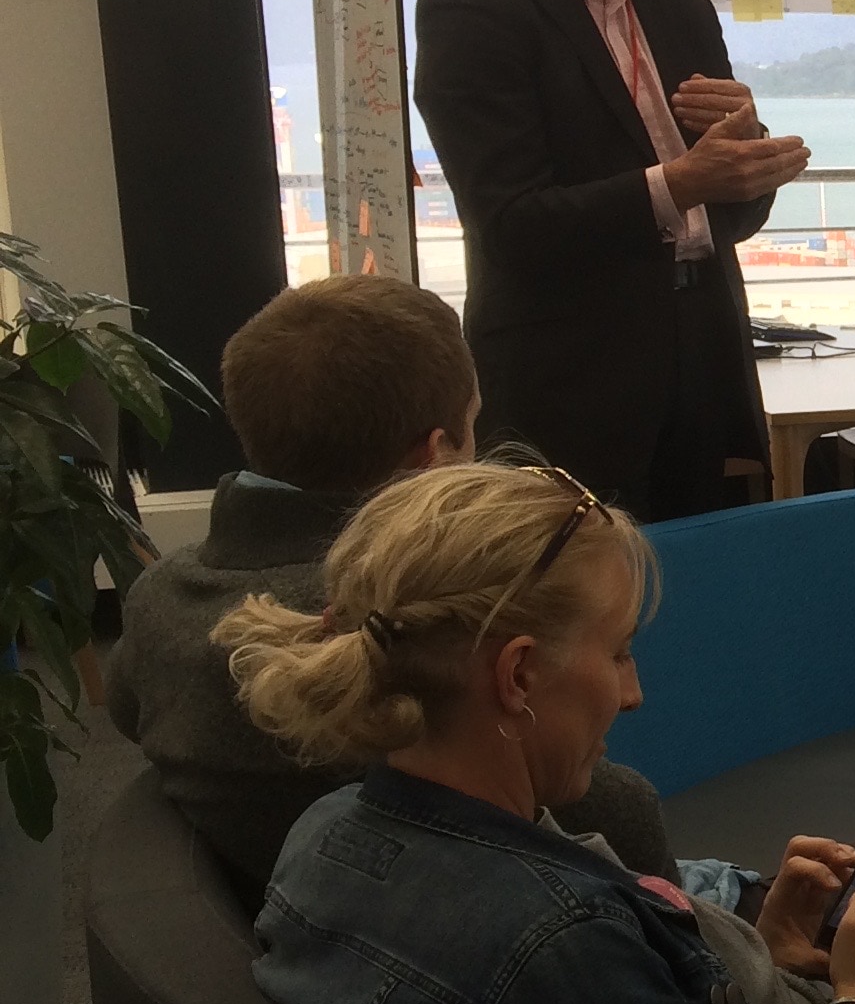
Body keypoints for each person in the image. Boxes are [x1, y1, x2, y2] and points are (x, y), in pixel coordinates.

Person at [225, 460, 855, 1004]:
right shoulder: (564, 950)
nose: (633, 693)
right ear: (519, 676)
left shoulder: (324, 835)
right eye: (620, 651)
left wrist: (759, 952)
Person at [108, 274, 675, 897]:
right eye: (473, 425)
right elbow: (630, 861)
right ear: (434, 456)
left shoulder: (158, 603)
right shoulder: (424, 634)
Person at [412, 0, 809, 519]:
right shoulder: (474, 5)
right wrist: (683, 182)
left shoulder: (679, 8)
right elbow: (512, 225)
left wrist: (746, 158)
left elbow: (724, 222)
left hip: (702, 362)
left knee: (706, 601)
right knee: (574, 617)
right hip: (569, 386)